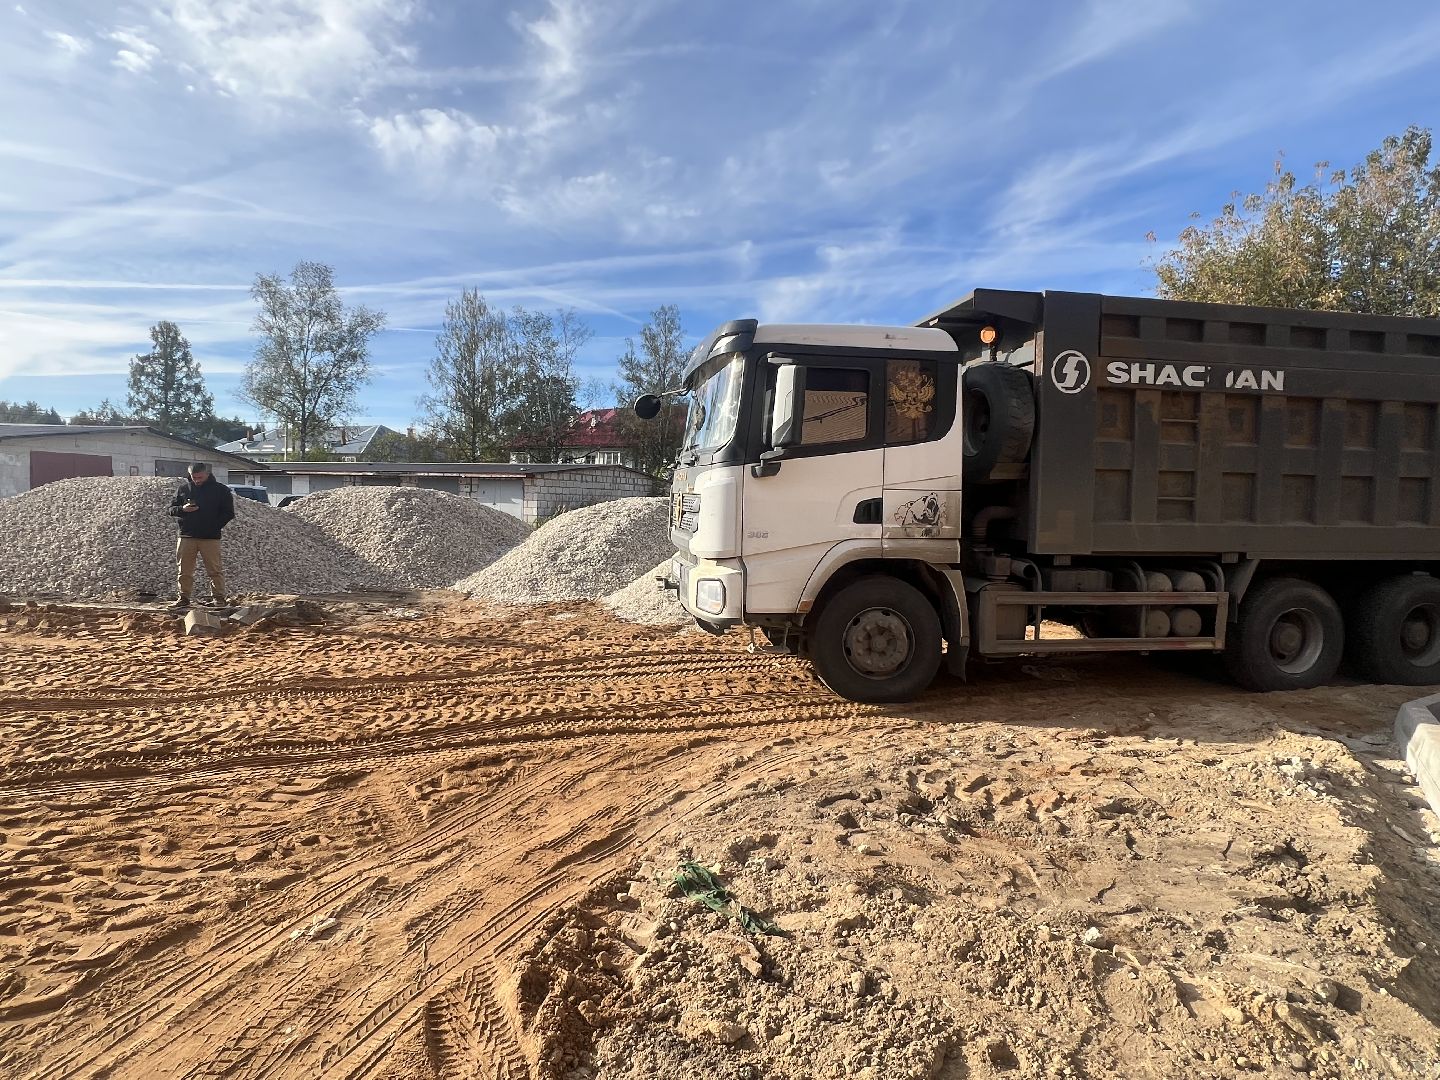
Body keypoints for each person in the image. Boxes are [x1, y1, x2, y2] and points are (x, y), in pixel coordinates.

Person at [167, 462, 235, 609]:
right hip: (186, 536)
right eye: (194, 477)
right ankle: (183, 598)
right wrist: (182, 509)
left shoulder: (221, 490)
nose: (197, 480)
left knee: (214, 570)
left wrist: (214, 525)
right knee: (184, 570)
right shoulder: (183, 489)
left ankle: (219, 598)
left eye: (200, 477)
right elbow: (171, 509)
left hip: (210, 538)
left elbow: (229, 513)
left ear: (207, 474)